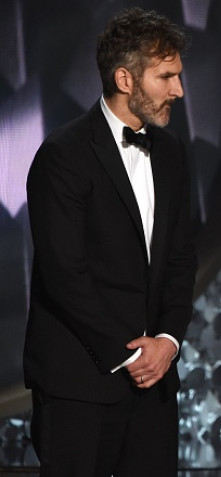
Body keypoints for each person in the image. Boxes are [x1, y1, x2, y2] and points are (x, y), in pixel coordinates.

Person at [24, 8, 196, 476]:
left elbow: (182, 260)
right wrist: (130, 354)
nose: (179, 90)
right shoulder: (63, 155)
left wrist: (167, 342)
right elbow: (65, 274)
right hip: (80, 385)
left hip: (155, 386)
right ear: (125, 78)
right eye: (166, 77)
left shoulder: (174, 154)